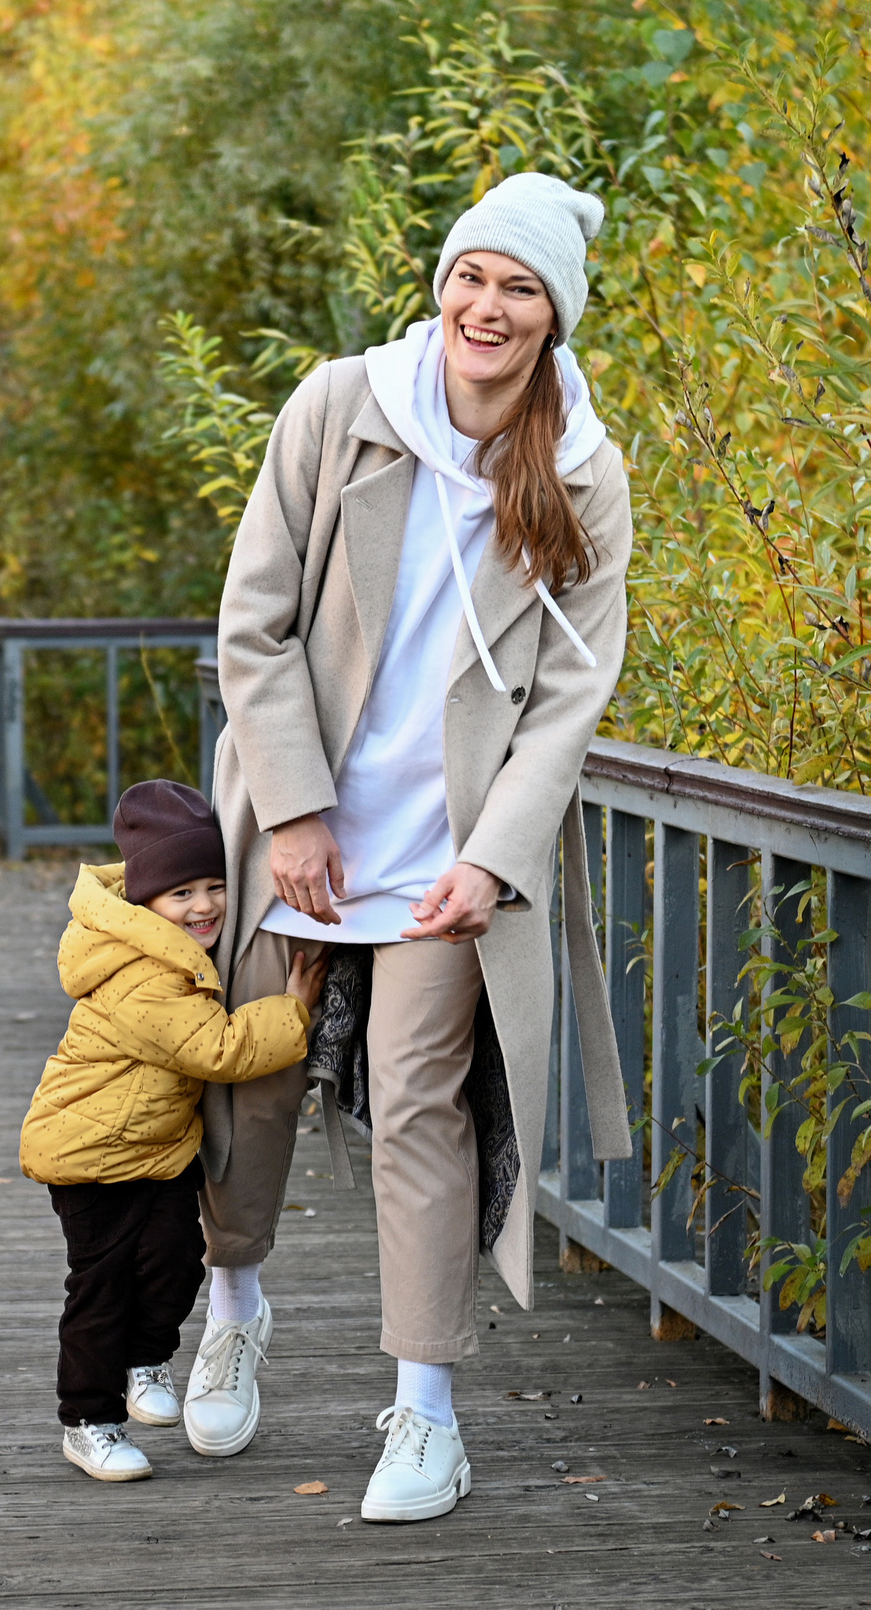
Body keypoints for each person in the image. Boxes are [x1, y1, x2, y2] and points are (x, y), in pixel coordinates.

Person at [191, 172, 637, 1521]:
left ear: (555, 315)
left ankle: (425, 1412)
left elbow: (574, 693)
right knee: (251, 1082)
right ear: (440, 283)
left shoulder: (580, 473)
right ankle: (232, 1301)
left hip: (451, 850)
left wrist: (496, 856)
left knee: (421, 1100)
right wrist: (297, 807)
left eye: (520, 286)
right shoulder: (343, 408)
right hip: (304, 816)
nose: (486, 306)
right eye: (471, 276)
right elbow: (253, 621)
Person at [19, 780, 326, 1482]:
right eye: (182, 893)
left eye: (216, 886)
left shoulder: (169, 952)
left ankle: (143, 1361)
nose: (206, 905)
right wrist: (296, 1010)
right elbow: (217, 1048)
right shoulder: (142, 975)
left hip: (153, 1150)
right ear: (146, 902)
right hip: (88, 1157)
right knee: (101, 1288)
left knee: (176, 1257)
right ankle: (89, 1421)